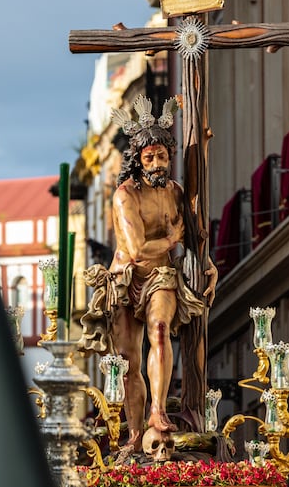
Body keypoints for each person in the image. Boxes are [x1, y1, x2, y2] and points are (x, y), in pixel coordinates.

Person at [79, 94, 217, 451]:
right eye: (149, 158)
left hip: (161, 276)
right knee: (128, 361)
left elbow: (196, 235)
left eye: (162, 156)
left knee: (159, 330)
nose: (157, 164)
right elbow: (138, 249)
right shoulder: (125, 195)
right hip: (126, 278)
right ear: (138, 160)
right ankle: (135, 435)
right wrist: (172, 240)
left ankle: (158, 412)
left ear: (170, 157)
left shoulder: (175, 192)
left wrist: (208, 265)